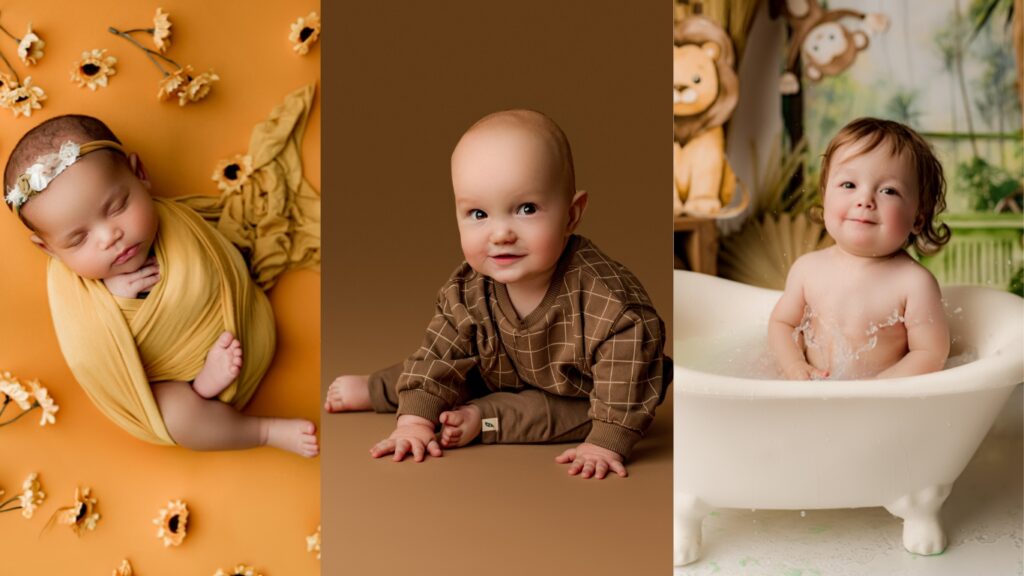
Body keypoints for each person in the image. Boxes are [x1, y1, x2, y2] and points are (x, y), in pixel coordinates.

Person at [326, 109, 667, 479]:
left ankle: (481, 419)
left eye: (526, 209)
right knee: (437, 374)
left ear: (571, 215)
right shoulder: (469, 287)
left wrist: (607, 441)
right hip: (497, 368)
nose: (501, 233)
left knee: (556, 415)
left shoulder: (611, 307)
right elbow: (439, 355)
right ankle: (380, 388)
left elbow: (625, 382)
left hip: (582, 392)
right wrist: (413, 425)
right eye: (478, 214)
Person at [3, 114, 318, 457]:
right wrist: (116, 302)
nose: (110, 237)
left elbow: (215, 262)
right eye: (78, 239)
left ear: (140, 175)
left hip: (244, 329)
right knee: (179, 417)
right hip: (166, 386)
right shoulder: (74, 299)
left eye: (117, 206)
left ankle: (205, 386)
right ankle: (261, 429)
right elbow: (97, 358)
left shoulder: (180, 226)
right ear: (50, 249)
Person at [769, 117, 951, 381]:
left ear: (918, 218)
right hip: (811, 395)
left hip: (877, 407)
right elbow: (782, 325)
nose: (864, 200)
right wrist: (795, 366)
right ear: (825, 197)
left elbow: (931, 353)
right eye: (849, 185)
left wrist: (877, 389)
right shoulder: (807, 269)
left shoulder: (914, 284)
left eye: (889, 190)